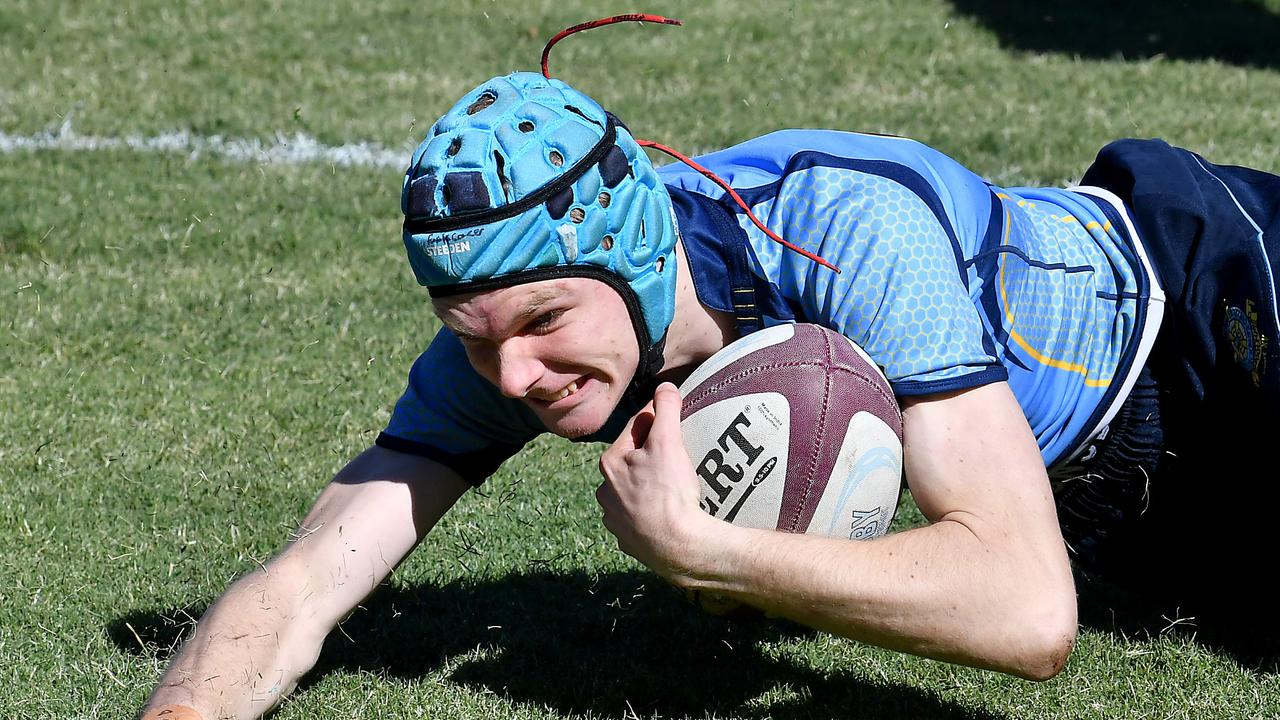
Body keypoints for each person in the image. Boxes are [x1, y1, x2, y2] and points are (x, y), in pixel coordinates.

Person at [138, 66, 1280, 719]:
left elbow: (1027, 613)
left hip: (1213, 316)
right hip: (1121, 505)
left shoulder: (842, 229)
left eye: (541, 324)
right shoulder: (510, 335)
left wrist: (703, 551)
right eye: (471, 338)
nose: (513, 377)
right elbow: (299, 586)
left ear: (633, 254)